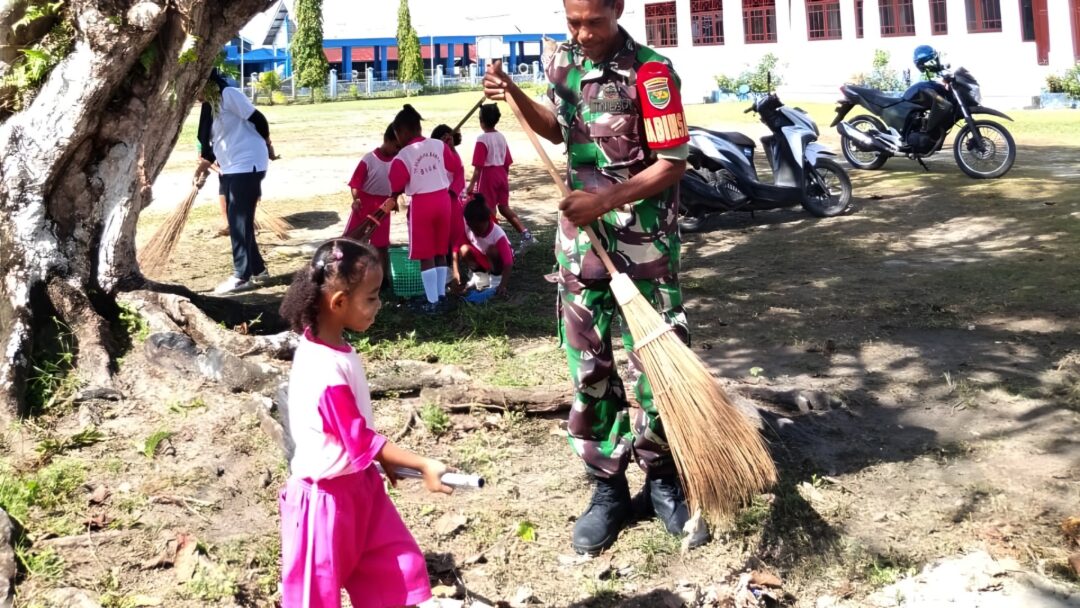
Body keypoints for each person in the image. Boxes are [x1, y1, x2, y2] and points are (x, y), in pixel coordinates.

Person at [482, 0, 709, 555]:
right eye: (572, 22)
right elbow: (557, 131)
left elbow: (672, 162)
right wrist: (515, 94)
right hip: (579, 245)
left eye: (593, 21)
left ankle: (662, 479)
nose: (582, 33)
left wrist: (606, 199)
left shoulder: (651, 72)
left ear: (618, 8)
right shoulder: (562, 61)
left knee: (656, 366)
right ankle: (606, 487)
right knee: (588, 365)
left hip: (643, 244)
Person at [277, 238, 452, 608]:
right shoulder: (323, 371)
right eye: (371, 297)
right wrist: (421, 464)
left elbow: (354, 442)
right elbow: (358, 437)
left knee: (398, 568)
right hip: (324, 503)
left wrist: (382, 460)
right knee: (316, 595)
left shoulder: (334, 348)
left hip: (361, 490)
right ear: (339, 303)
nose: (379, 305)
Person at [195, 68, 277, 294]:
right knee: (239, 219)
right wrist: (202, 168)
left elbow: (258, 119)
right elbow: (214, 145)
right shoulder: (209, 107)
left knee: (238, 220)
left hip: (248, 162)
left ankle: (242, 276)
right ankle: (258, 270)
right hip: (231, 165)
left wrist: (268, 144)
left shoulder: (228, 94)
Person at [387, 105, 463, 312]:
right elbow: (455, 167)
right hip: (443, 201)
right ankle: (440, 296)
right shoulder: (438, 146)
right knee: (440, 251)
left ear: (401, 131)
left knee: (426, 254)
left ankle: (431, 303)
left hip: (422, 204)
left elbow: (396, 183)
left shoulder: (403, 156)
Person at [467, 103, 535, 248]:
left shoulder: (482, 139)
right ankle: (526, 234)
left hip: (488, 175)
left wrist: (471, 185)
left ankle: (495, 242)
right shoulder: (501, 137)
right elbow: (507, 161)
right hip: (501, 174)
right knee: (504, 207)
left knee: (489, 209)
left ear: (481, 121)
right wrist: (503, 177)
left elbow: (478, 167)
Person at [345, 123, 400, 287]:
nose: (397, 150)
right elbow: (356, 183)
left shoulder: (397, 160)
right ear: (387, 140)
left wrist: (394, 200)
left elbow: (398, 185)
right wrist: (356, 200)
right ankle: (348, 275)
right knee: (353, 240)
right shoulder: (369, 159)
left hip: (384, 206)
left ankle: (382, 279)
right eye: (396, 146)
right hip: (364, 205)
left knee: (381, 245)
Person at [453, 195, 514, 296]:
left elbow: (509, 263)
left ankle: (496, 278)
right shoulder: (469, 228)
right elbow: (455, 249)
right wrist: (455, 272)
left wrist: (503, 285)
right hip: (483, 258)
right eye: (473, 228)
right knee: (463, 249)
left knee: (492, 250)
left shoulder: (497, 234)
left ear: (488, 220)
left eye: (478, 228)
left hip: (499, 260)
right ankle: (480, 276)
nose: (476, 232)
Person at [430, 123, 467, 277]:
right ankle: (443, 268)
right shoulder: (433, 155)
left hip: (452, 200)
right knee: (440, 237)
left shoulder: (454, 155)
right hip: (438, 199)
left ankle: (456, 266)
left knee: (454, 235)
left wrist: (451, 148)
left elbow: (459, 173)